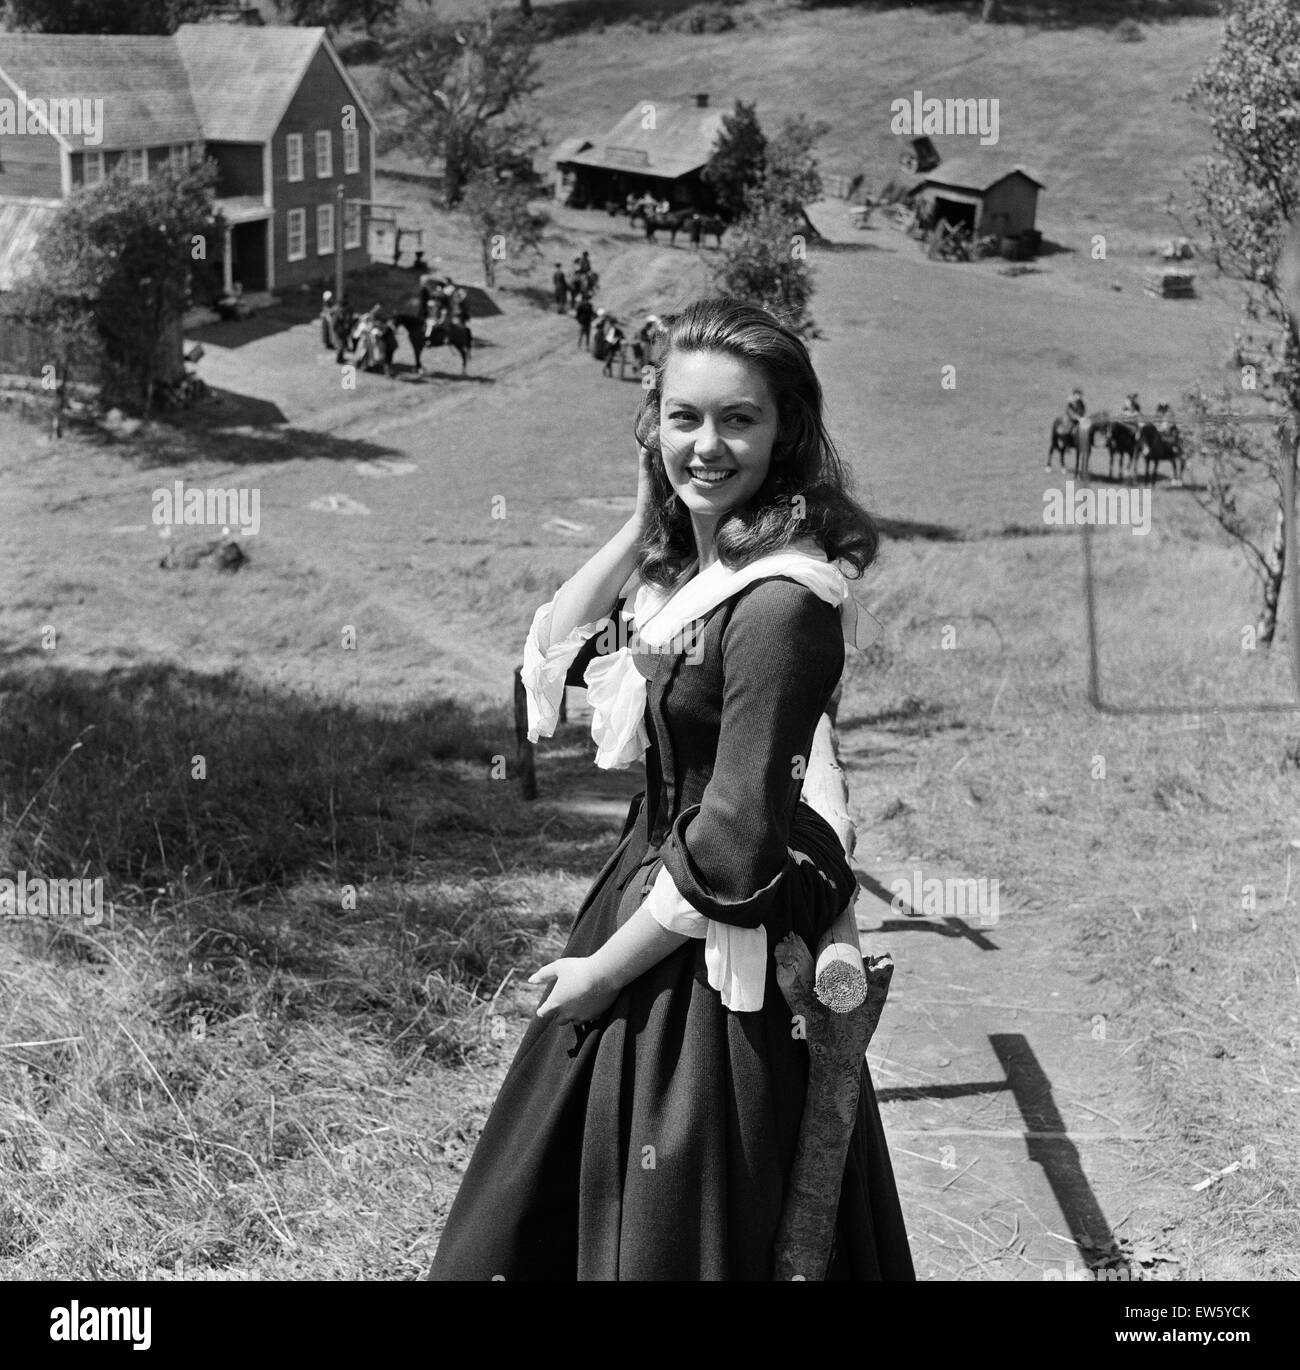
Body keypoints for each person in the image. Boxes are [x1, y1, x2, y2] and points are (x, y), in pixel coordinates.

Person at [427, 298, 914, 1281]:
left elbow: (737, 831)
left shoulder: (783, 599)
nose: (709, 442)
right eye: (683, 416)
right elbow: (550, 656)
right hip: (642, 880)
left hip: (709, 920)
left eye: (738, 418)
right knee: (566, 1189)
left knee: (673, 1203)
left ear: (785, 433)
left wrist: (605, 972)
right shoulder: (695, 565)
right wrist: (644, 513)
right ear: (652, 423)